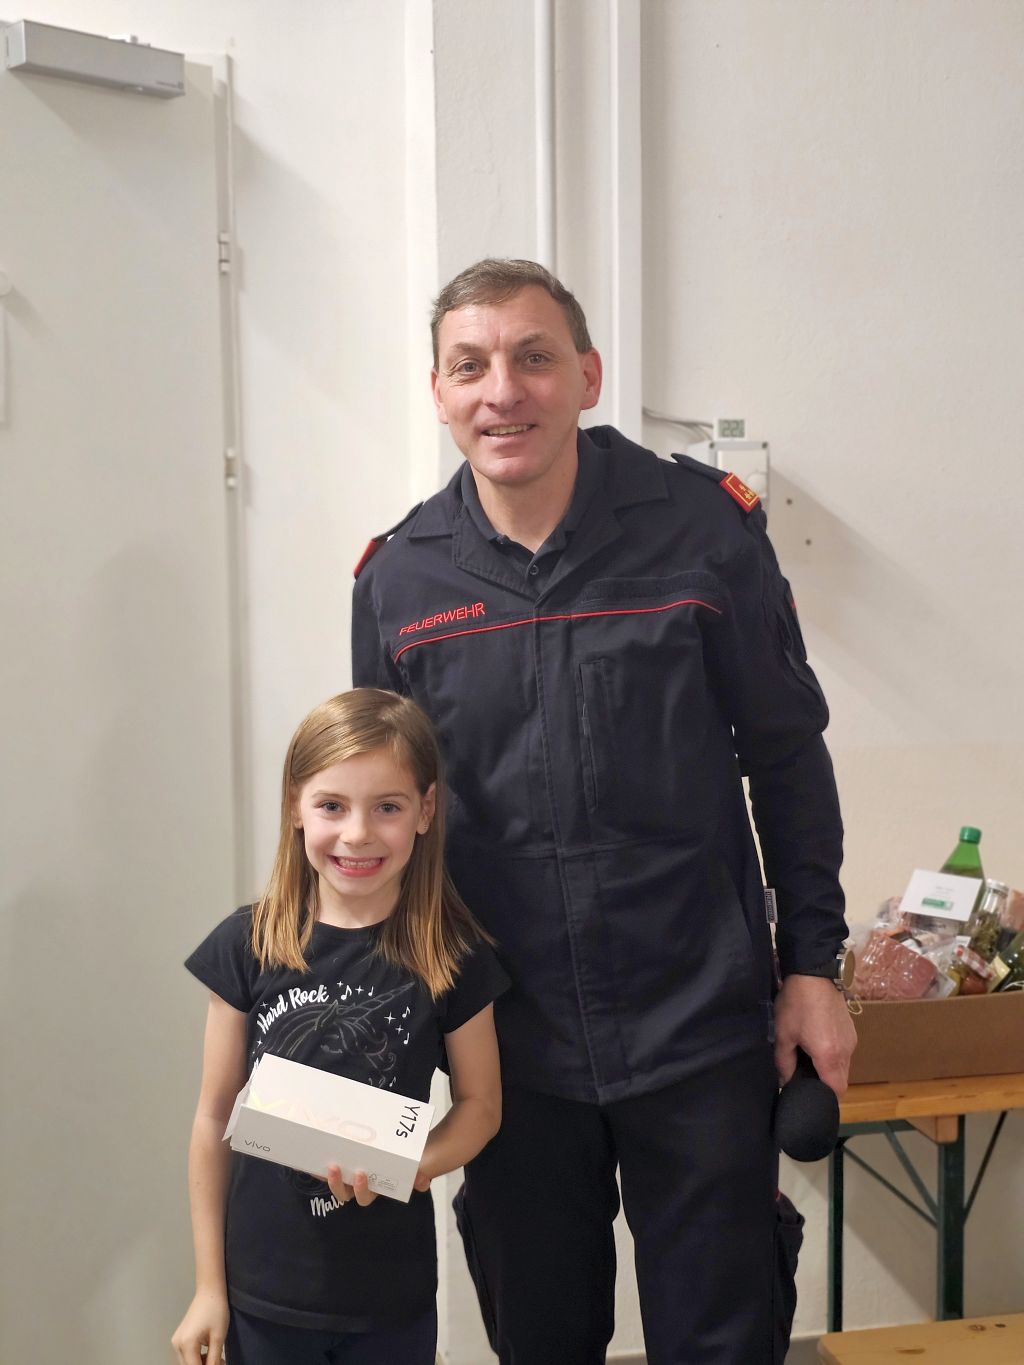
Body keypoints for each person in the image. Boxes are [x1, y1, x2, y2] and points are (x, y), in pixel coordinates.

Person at [351, 259, 857, 1364]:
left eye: (533, 359)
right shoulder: (399, 582)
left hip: (699, 1026)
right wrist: (370, 1019)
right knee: (540, 1337)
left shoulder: (703, 533)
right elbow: (383, 826)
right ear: (438, 392)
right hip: (505, 1049)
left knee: (723, 1341)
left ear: (586, 376)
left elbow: (785, 756)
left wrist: (814, 967)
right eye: (469, 366)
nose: (503, 391)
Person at [172, 688, 508, 1365]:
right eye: (332, 805)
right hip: (262, 1294)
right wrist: (209, 1287)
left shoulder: (452, 955)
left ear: (426, 810)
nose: (357, 833)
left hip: (390, 1297)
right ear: (295, 805)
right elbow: (212, 1117)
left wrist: (416, 1163)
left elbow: (481, 1106)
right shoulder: (248, 944)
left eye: (387, 806)